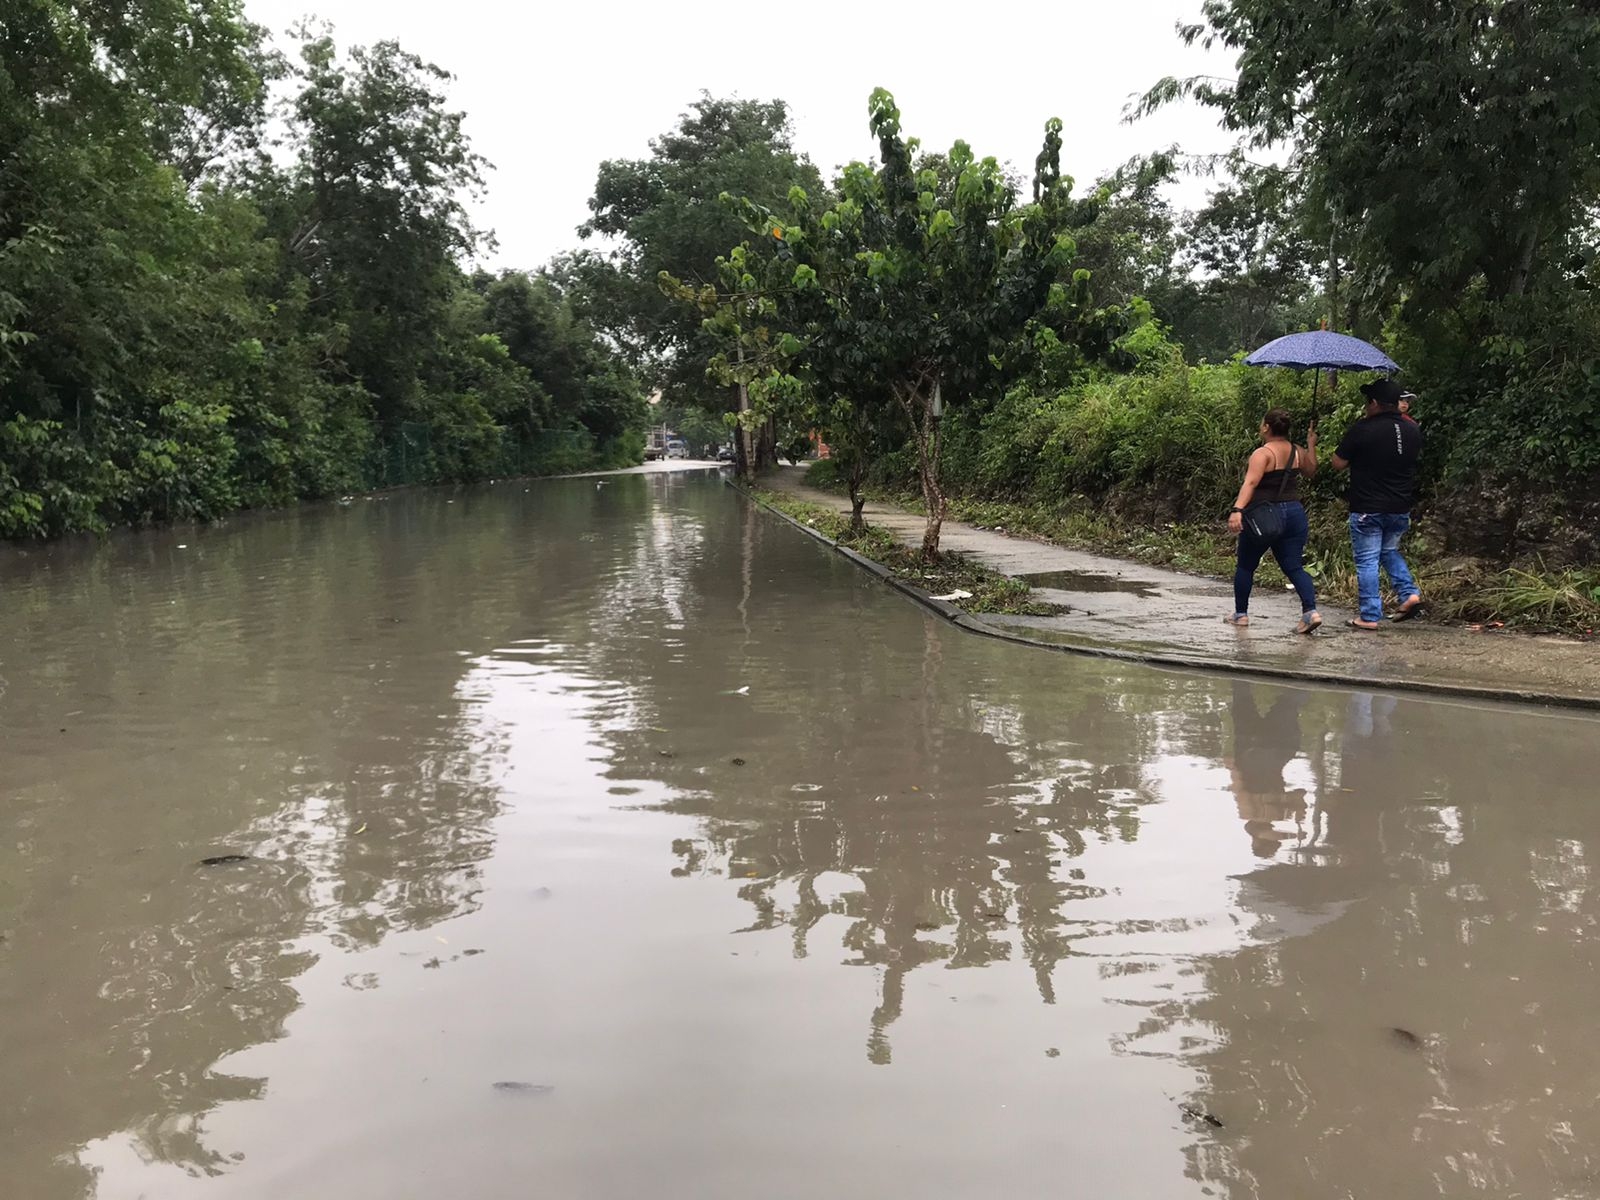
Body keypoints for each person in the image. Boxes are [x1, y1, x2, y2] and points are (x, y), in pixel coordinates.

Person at [1331, 378, 1423, 629]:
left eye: (1367, 402)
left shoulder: (1363, 428)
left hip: (1367, 507)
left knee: (1367, 560)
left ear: (1374, 403)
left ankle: (1370, 615)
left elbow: (1337, 463)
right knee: (1388, 552)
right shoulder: (1413, 429)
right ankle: (1409, 593)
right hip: (1400, 506)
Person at [1225, 408, 1322, 634]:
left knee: (1246, 565)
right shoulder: (1296, 450)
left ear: (1267, 427)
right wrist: (1311, 444)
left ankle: (1241, 614)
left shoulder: (1263, 453)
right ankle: (1310, 612)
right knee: (1294, 566)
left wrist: (1237, 510)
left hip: (1264, 516)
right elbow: (1311, 471)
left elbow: (1250, 483)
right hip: (1295, 514)